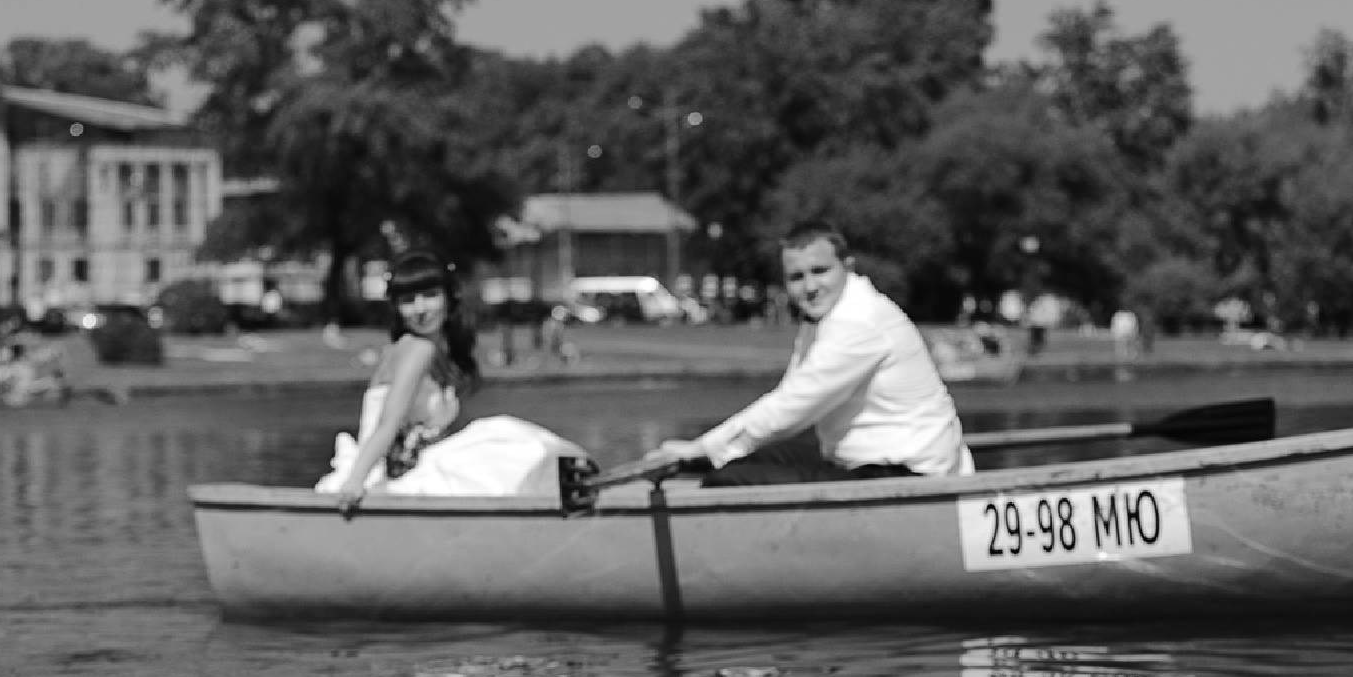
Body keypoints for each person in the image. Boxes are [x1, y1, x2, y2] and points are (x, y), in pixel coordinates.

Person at [653, 222, 970, 486]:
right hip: (867, 464)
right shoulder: (824, 317)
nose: (809, 286)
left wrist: (700, 448)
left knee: (731, 480)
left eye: (820, 271)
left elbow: (791, 408)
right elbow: (788, 397)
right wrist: (707, 453)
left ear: (847, 267)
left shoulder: (859, 322)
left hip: (911, 476)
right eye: (796, 277)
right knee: (738, 462)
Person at [314, 251, 590, 511]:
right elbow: (388, 423)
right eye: (408, 300)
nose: (420, 308)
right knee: (508, 439)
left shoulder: (437, 352)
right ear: (396, 307)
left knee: (499, 441)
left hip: (409, 468)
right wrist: (355, 483)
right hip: (382, 474)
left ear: (449, 298)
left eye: (430, 295)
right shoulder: (415, 349)